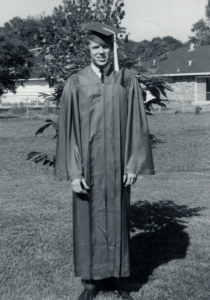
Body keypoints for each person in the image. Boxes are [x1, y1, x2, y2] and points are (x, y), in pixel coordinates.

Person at [55, 22, 155, 300]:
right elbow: (69, 131)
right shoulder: (75, 82)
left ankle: (121, 282)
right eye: (95, 47)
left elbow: (137, 123)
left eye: (105, 47)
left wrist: (133, 164)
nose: (101, 52)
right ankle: (90, 284)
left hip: (116, 167)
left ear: (112, 49)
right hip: (87, 168)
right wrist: (74, 172)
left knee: (118, 220)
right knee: (87, 222)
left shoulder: (126, 80)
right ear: (88, 50)